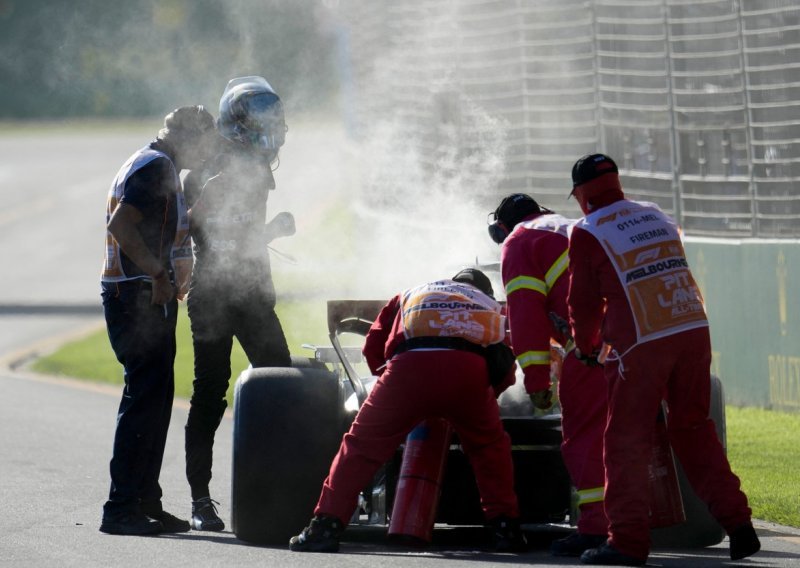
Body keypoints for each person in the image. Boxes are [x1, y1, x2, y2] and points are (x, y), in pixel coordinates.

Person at [566, 153, 760, 566]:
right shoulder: (655, 212)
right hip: (692, 327)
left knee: (625, 441)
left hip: (642, 341)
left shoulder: (586, 230)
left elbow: (582, 301)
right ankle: (739, 526)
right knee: (693, 428)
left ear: (581, 194)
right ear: (617, 182)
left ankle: (627, 542)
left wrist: (585, 346)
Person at [289, 269, 526, 553]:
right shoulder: (491, 305)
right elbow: (506, 364)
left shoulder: (413, 292)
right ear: (485, 291)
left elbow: (373, 345)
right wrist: (489, 396)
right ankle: (506, 530)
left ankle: (324, 527)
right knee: (490, 449)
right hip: (466, 371)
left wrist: (389, 386)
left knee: (360, 447)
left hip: (408, 369)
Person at [99, 105, 218, 535]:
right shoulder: (156, 168)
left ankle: (146, 501)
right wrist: (155, 273)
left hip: (146, 296)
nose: (208, 153)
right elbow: (121, 226)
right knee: (143, 402)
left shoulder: (155, 162)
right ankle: (121, 507)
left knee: (155, 401)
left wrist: (171, 273)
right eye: (205, 143)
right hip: (137, 296)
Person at [183, 76, 294, 531]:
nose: (272, 127)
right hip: (212, 295)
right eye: (260, 116)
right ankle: (200, 499)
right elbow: (202, 236)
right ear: (237, 122)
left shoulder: (258, 167)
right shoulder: (202, 174)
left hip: (252, 293)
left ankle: (284, 484)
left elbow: (245, 237)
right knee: (211, 393)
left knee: (282, 382)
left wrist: (271, 233)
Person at [488, 193, 609, 556]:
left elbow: (526, 316)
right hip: (631, 342)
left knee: (585, 439)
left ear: (501, 228)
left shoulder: (519, 240)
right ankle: (631, 523)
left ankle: (595, 530)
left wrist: (537, 381)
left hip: (590, 350)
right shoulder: (574, 227)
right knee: (620, 438)